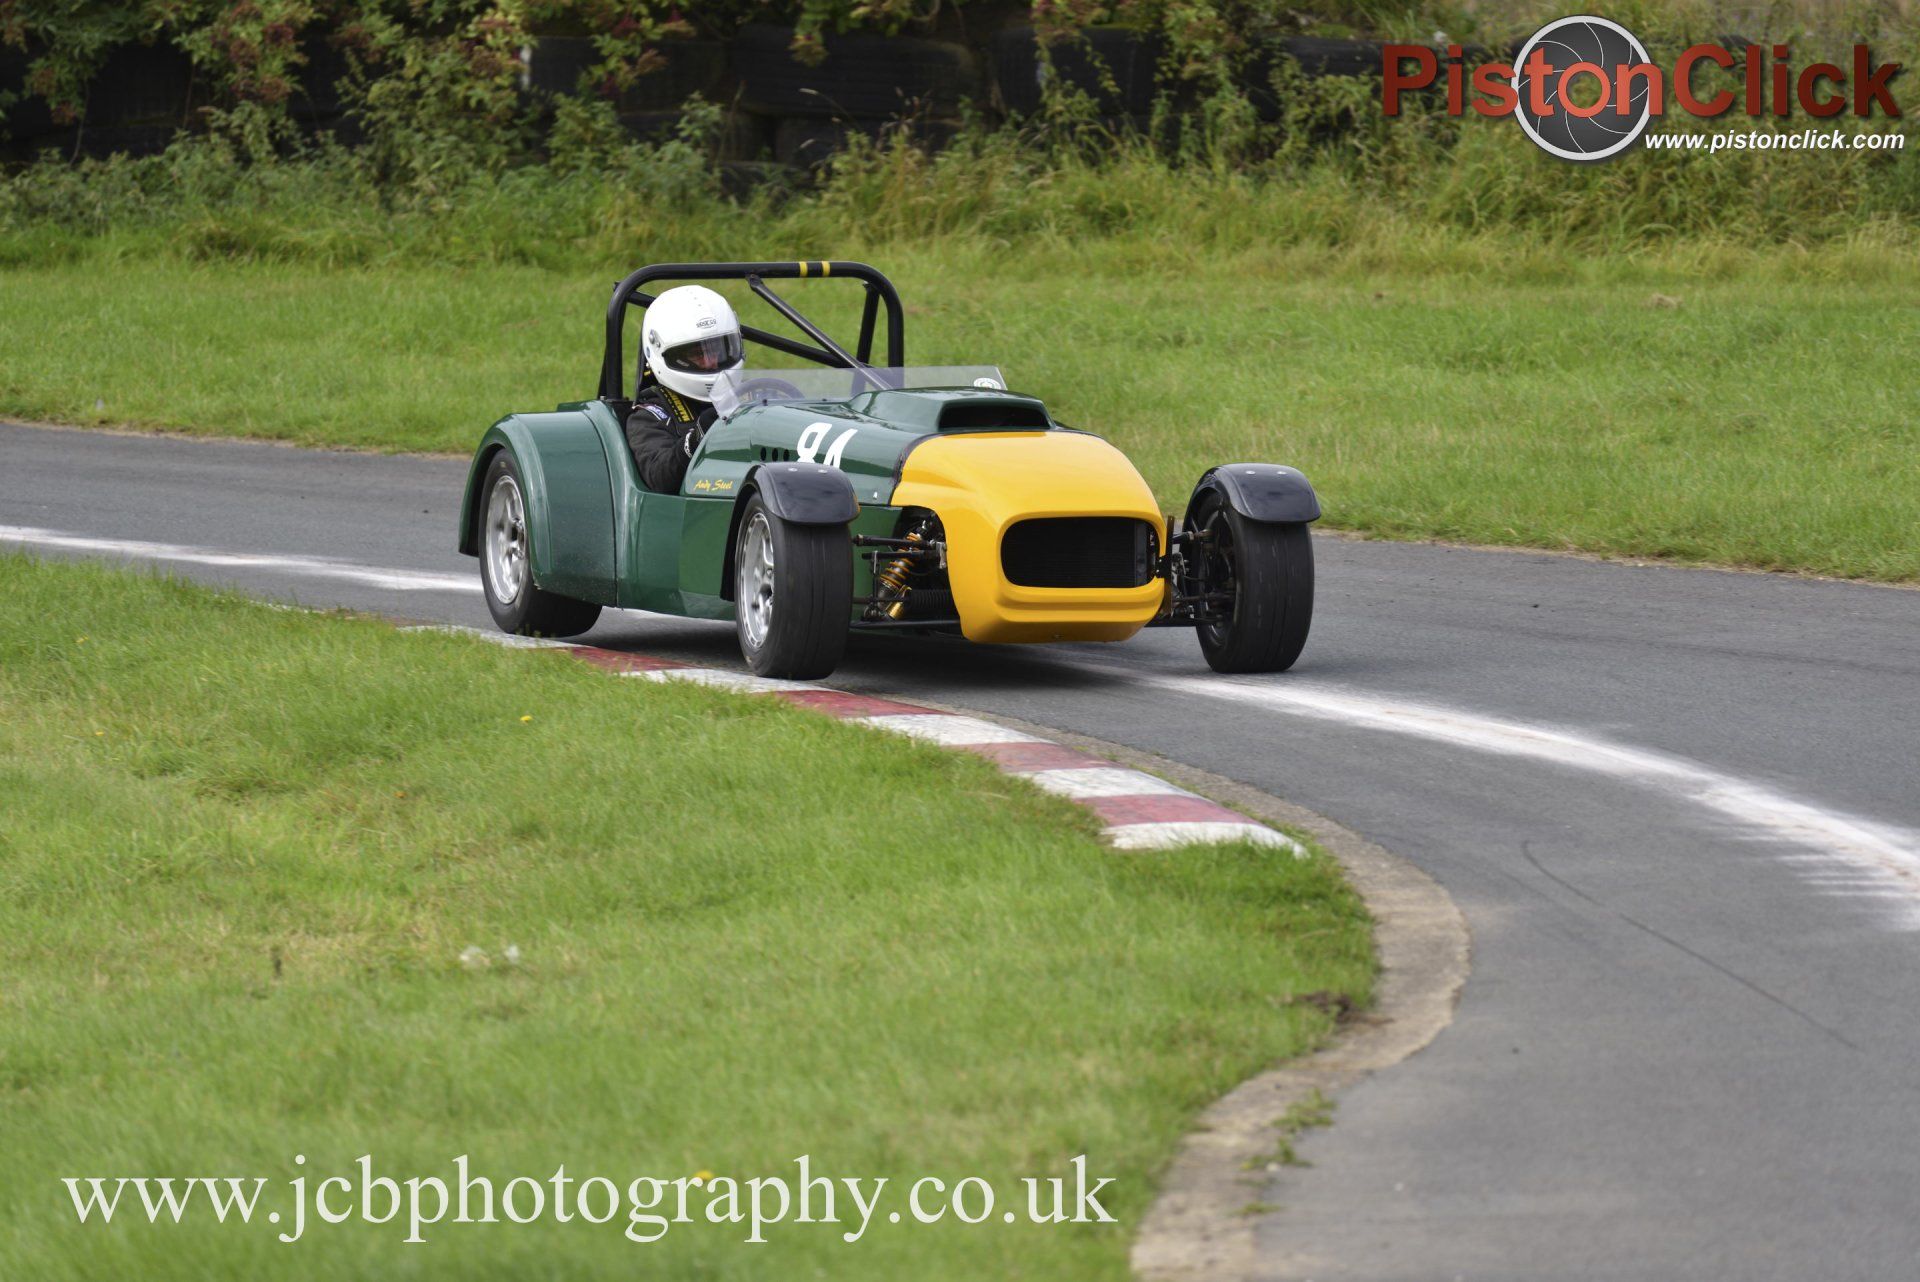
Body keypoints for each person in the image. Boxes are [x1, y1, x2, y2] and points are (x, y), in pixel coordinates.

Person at [625, 285, 745, 493]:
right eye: (698, 354)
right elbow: (659, 476)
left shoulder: (751, 396)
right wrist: (696, 439)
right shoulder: (649, 416)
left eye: (717, 349)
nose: (711, 362)